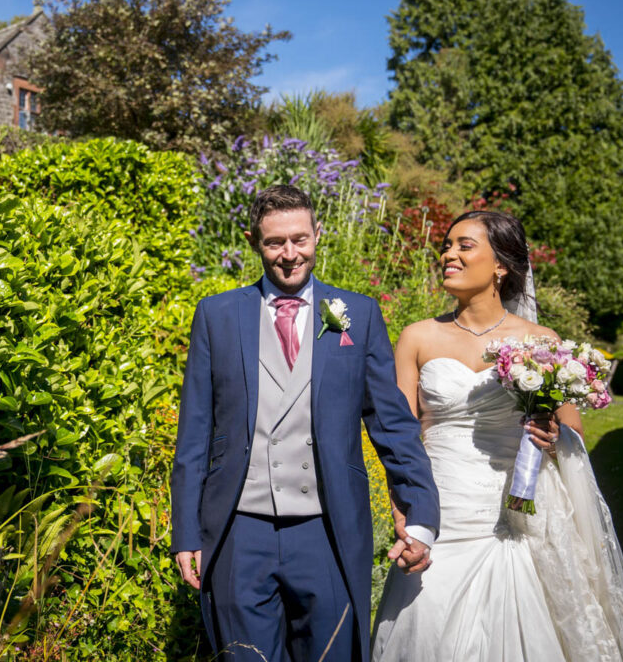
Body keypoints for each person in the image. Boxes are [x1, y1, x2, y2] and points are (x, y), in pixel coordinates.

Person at [171, 185, 441, 662]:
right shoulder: (216, 315)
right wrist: (187, 531)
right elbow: (194, 432)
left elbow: (392, 424)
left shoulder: (358, 314)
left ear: (318, 234)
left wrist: (419, 513)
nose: (290, 255)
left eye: (300, 239)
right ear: (255, 240)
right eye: (275, 242)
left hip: (328, 529)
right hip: (239, 531)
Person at [371, 210, 623, 661]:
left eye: (464, 245)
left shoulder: (539, 340)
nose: (448, 255)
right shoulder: (417, 337)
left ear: (500, 265)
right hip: (440, 511)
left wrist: (554, 436)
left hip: (515, 515)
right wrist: (404, 508)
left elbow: (571, 431)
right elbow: (400, 438)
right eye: (447, 245)